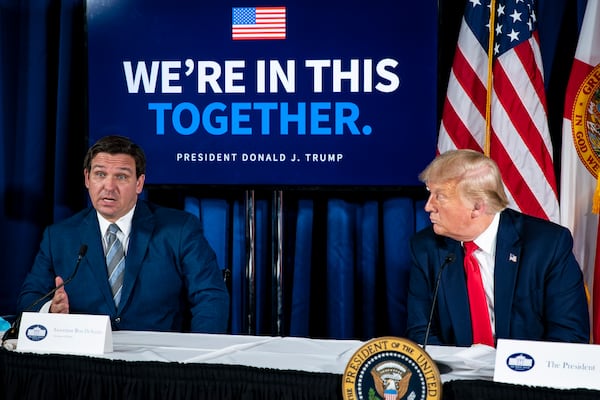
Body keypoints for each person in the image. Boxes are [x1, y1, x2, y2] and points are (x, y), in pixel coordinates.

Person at [16, 135, 230, 333]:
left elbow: (210, 297)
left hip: (159, 363)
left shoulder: (180, 229)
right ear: (87, 178)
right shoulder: (59, 237)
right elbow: (29, 299)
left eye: (121, 176)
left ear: (139, 183)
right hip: (84, 364)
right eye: (100, 174)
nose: (109, 187)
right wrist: (50, 312)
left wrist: (196, 359)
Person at [406, 149, 589, 346]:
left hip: (526, 373)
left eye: (440, 196)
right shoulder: (425, 248)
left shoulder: (548, 245)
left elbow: (569, 335)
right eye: (429, 193)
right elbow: (422, 333)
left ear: (477, 207)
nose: (428, 206)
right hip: (456, 374)